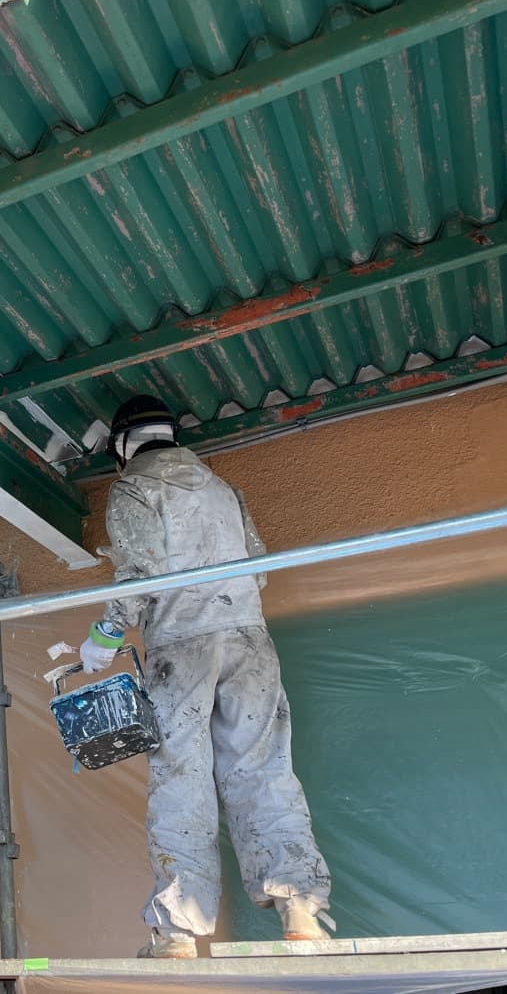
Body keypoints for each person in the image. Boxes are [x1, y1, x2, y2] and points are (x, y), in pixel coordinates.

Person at [79, 394, 332, 959]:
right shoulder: (224, 490)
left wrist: (106, 634)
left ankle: (177, 932)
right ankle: (299, 908)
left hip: (181, 646)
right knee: (263, 767)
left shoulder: (133, 488)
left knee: (182, 778)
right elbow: (258, 566)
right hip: (250, 640)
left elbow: (140, 573)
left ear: (123, 446)